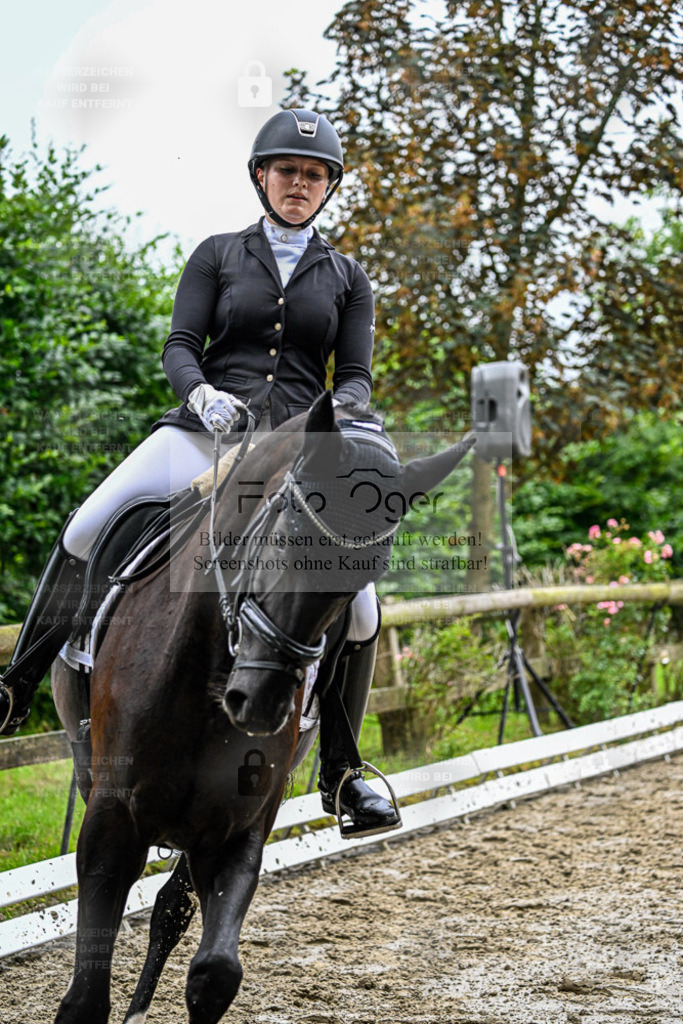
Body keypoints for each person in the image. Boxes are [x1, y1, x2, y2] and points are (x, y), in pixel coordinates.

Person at [0, 108, 399, 835]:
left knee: (364, 607)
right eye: (287, 171)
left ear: (328, 187)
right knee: (88, 524)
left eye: (314, 176)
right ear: (261, 177)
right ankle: (15, 685)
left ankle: (342, 773)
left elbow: (356, 377)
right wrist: (201, 395)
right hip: (203, 434)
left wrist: (338, 417)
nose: (299, 184)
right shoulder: (217, 254)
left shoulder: (348, 277)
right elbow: (180, 344)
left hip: (292, 453)